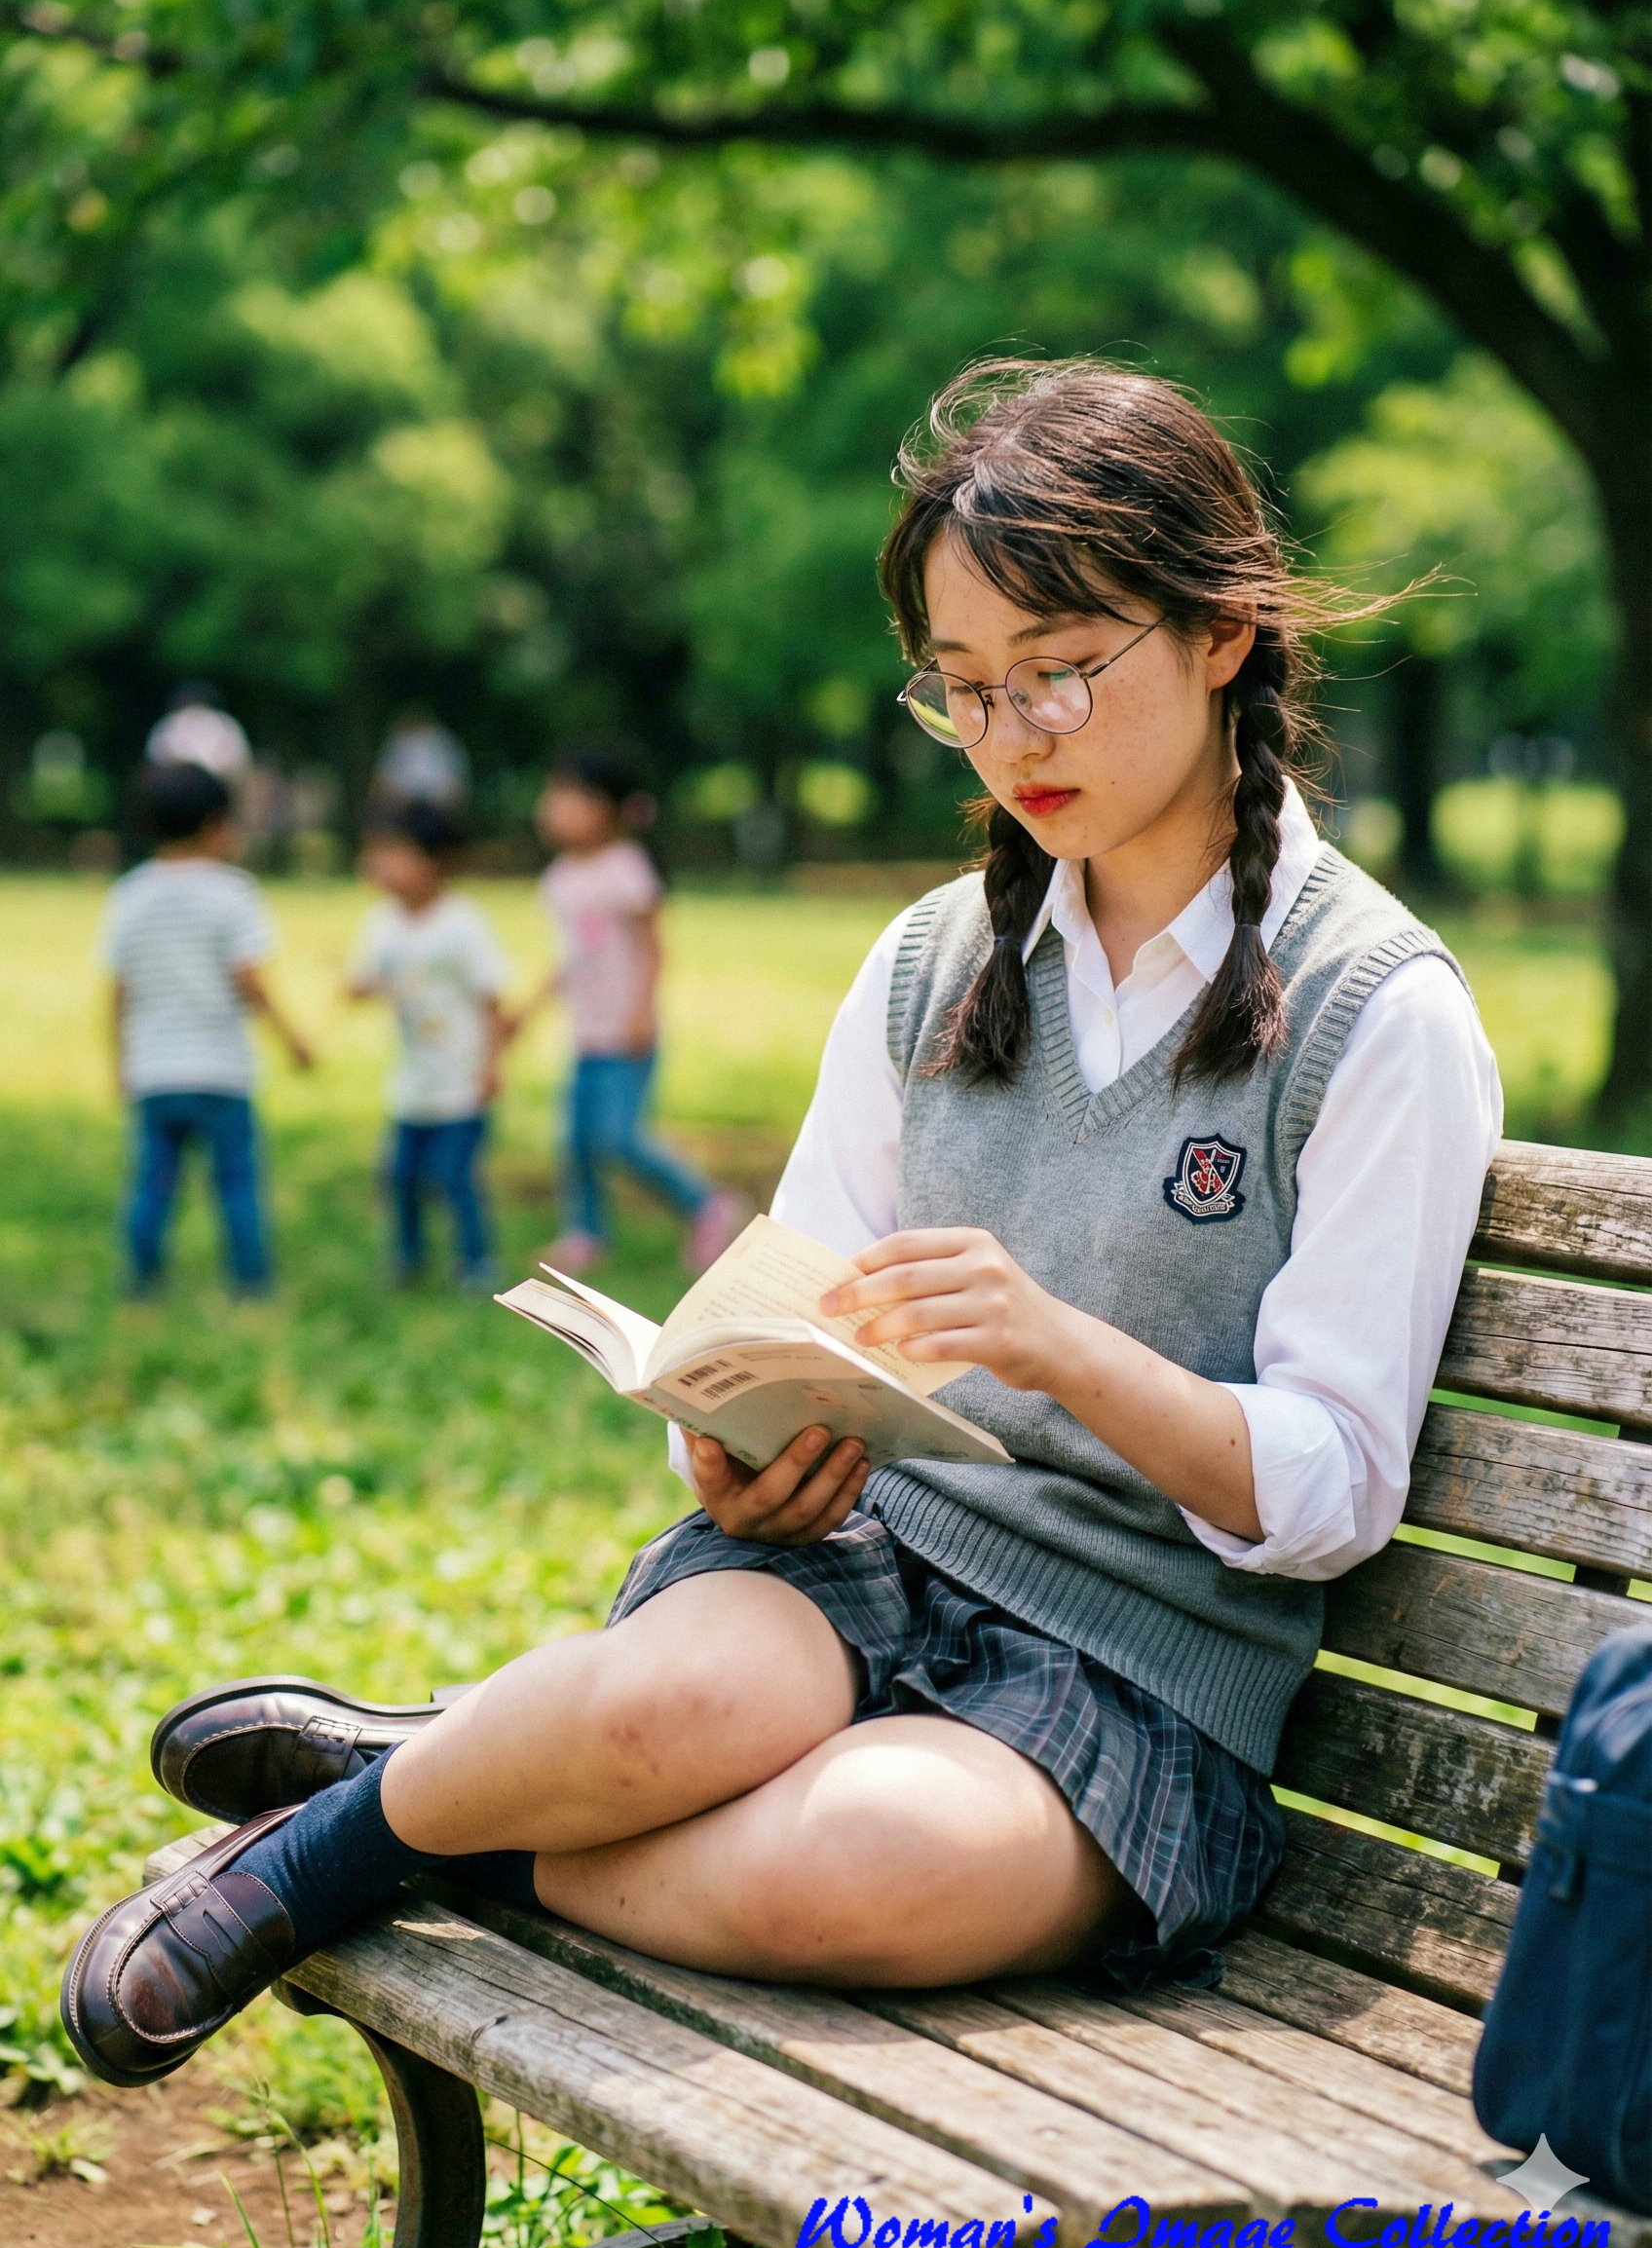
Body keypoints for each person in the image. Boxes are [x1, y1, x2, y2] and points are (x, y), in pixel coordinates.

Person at [63, 359, 1505, 2089]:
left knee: (868, 1865)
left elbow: (1335, 1482)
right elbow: (798, 1298)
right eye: (964, 689)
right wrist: (735, 1460)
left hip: (1135, 1681)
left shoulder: (1372, 1012)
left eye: (1059, 672)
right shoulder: (933, 965)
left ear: (1218, 634)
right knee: (675, 1704)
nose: (1010, 737)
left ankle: (446, 1810)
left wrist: (1059, 1346)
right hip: (852, 1562)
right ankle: (333, 1855)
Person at [513, 749, 745, 1276]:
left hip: (626, 1033)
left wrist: (642, 1011)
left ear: (608, 809)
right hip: (587, 1034)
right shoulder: (561, 878)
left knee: (618, 1137)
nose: (553, 808)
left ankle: (706, 1204)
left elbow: (654, 949)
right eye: (552, 796)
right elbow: (570, 960)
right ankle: (586, 1233)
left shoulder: (625, 869)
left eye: (569, 798)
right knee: (575, 1141)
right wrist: (526, 1012)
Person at [100, 761, 313, 1299]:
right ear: (218, 823)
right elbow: (250, 981)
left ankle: (141, 1287)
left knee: (152, 1187)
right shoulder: (232, 893)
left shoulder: (129, 894)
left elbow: (119, 990)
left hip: (155, 1071)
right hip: (221, 1072)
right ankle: (251, 1290)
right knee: (238, 1185)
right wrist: (292, 1039)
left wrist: (119, 1062)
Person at [347, 801, 508, 1294]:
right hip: (412, 1085)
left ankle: (477, 1263)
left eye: (394, 854)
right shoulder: (382, 922)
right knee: (401, 1178)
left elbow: (491, 998)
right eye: (377, 853)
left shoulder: (461, 923)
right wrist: (359, 988)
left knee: (456, 1177)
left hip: (460, 1081)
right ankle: (409, 1259)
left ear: (435, 861)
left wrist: (491, 1064)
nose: (380, 865)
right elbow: (366, 976)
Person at [144, 682, 252, 786]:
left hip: (190, 788)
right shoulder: (227, 724)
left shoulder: (168, 723)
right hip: (203, 789)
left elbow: (156, 760)